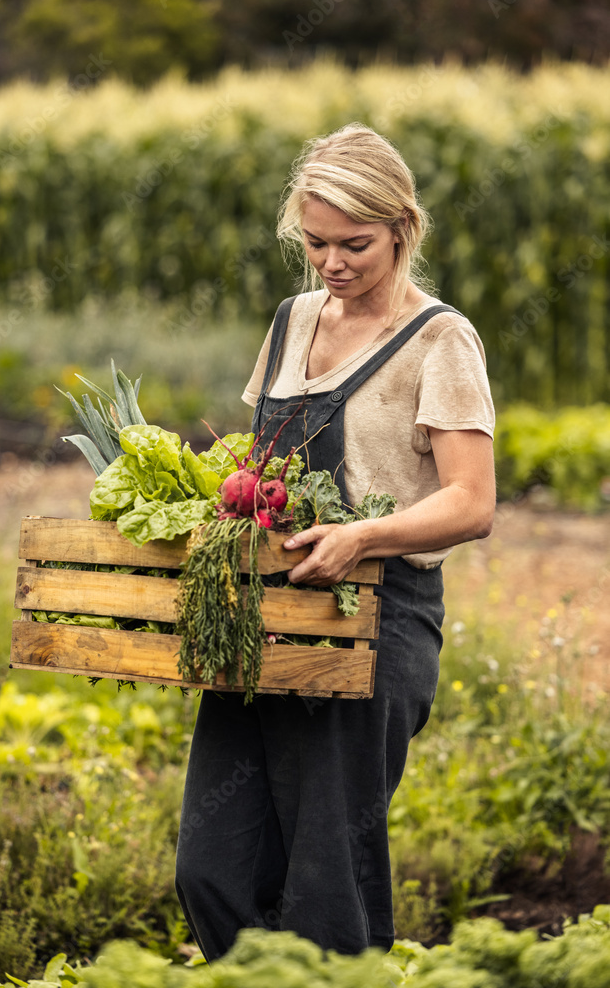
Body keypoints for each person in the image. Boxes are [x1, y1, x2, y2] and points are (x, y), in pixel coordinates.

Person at [175, 123, 496, 960]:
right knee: (213, 867)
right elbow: (255, 458)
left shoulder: (438, 341)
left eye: (355, 244)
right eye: (315, 244)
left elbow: (471, 502)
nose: (333, 262)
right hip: (264, 624)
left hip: (376, 623)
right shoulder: (290, 322)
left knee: (325, 880)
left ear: (402, 228)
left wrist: (361, 536)